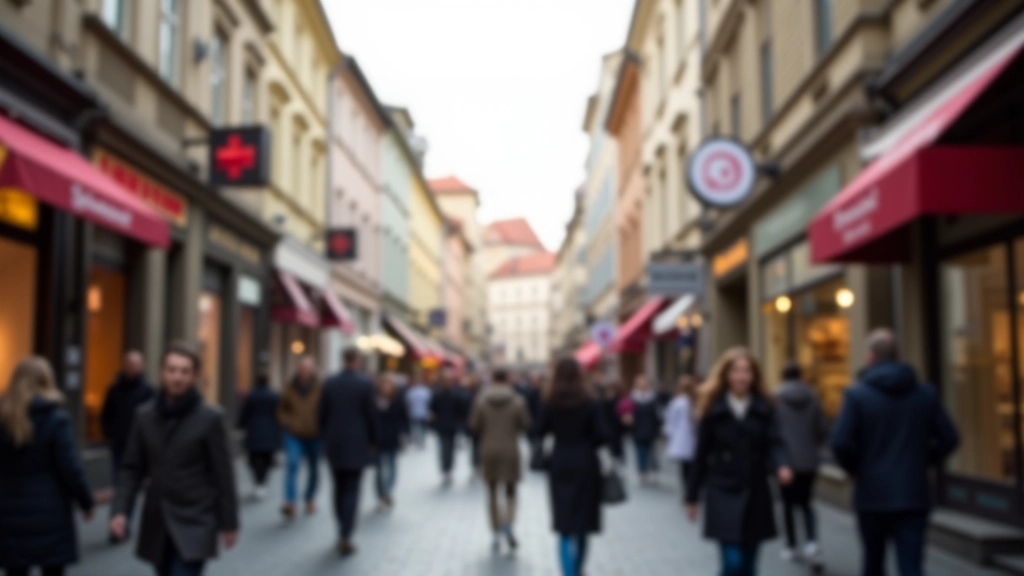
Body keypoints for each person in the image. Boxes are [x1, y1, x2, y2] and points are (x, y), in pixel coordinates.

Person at [830, 329, 959, 576]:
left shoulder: (857, 395)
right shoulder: (925, 394)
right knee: (911, 566)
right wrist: (924, 460)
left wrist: (857, 469)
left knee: (873, 564)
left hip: (872, 495)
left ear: (869, 357)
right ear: (898, 355)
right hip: (912, 493)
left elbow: (840, 443)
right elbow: (950, 438)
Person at [111, 342, 239, 576]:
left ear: (195, 376)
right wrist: (120, 511)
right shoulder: (145, 416)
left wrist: (229, 523)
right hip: (157, 521)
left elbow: (223, 474)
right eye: (171, 370)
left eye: (184, 371)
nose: (177, 377)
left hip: (196, 520)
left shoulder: (210, 418)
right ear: (162, 372)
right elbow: (131, 469)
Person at [685, 347, 792, 576]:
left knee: (749, 566)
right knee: (732, 562)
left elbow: (776, 441)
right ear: (726, 375)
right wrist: (691, 497)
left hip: (756, 490)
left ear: (754, 375)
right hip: (722, 489)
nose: (741, 376)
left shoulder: (765, 407)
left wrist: (782, 465)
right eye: (736, 371)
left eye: (747, 371)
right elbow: (701, 455)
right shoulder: (713, 409)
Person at [0, 358, 94, 576]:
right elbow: (70, 468)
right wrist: (85, 501)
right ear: (46, 381)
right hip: (50, 515)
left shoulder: (4, 418)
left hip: (9, 514)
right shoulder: (56, 419)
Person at [540, 358, 609, 576]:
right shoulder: (590, 401)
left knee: (564, 525)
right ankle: (578, 569)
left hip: (560, 461)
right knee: (583, 523)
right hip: (586, 462)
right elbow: (603, 434)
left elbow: (538, 430)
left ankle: (568, 573)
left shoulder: (550, 401)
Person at [318, 348, 380, 556]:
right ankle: (346, 532)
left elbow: (321, 414)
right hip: (357, 443)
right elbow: (372, 415)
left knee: (338, 486)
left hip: (335, 443)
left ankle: (341, 527)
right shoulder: (364, 384)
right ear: (357, 361)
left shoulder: (331, 382)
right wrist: (373, 440)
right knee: (352, 488)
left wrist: (325, 436)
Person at [469, 369, 531, 553]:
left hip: (488, 450)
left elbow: (474, 426)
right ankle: (508, 522)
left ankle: (495, 529)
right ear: (508, 380)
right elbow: (525, 425)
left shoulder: (481, 401)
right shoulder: (518, 401)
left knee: (492, 491)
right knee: (511, 491)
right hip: (510, 450)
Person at [774, 361, 828, 565]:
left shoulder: (776, 397)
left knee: (787, 505)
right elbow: (822, 429)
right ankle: (812, 543)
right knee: (807, 504)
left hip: (785, 461)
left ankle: (791, 545)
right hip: (808, 460)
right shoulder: (812, 397)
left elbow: (773, 430)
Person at [101, 350, 155, 542]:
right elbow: (106, 415)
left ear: (142, 366)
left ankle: (124, 521)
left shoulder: (148, 391)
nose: (132, 367)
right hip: (119, 445)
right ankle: (119, 524)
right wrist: (110, 433)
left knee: (133, 486)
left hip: (141, 448)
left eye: (136, 363)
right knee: (121, 484)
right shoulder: (114, 390)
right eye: (129, 363)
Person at [276, 355, 323, 518]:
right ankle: (290, 501)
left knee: (314, 468)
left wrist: (322, 424)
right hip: (294, 433)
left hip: (315, 434)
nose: (304, 371)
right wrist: (287, 422)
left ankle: (309, 498)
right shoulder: (290, 386)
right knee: (292, 464)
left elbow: (327, 408)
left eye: (307, 368)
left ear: (313, 369)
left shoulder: (320, 387)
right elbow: (282, 408)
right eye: (301, 368)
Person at [237, 361, 281, 501]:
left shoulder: (252, 395)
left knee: (255, 459)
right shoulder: (274, 395)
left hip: (255, 431)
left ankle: (259, 482)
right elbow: (279, 415)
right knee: (266, 460)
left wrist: (241, 425)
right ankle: (262, 482)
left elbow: (244, 413)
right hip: (269, 432)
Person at [375, 373, 408, 509]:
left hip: (393, 438)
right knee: (380, 469)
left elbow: (404, 417)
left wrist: (405, 433)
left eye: (389, 385)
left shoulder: (398, 399)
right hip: (378, 439)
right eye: (384, 385)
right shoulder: (374, 399)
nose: (386, 388)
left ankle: (388, 491)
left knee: (391, 466)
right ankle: (382, 493)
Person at [663, 375, 697, 502]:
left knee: (685, 469)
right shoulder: (685, 402)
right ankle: (691, 490)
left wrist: (669, 436)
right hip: (689, 440)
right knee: (692, 467)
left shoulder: (678, 402)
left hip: (684, 439)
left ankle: (688, 489)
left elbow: (670, 421)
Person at [429, 367, 463, 486]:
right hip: (441, 427)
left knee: (451, 450)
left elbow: (460, 410)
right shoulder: (437, 393)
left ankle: (449, 470)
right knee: (444, 449)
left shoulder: (456, 394)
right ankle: (445, 470)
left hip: (452, 427)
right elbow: (432, 409)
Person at [631, 375, 661, 482]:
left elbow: (656, 416)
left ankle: (651, 470)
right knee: (640, 452)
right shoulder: (633, 398)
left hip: (650, 429)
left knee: (651, 451)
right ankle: (642, 471)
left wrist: (657, 430)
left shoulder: (652, 397)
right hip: (638, 429)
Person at [600, 380, 626, 465]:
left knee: (618, 441)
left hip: (617, 423)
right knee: (611, 442)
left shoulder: (618, 398)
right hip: (608, 423)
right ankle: (613, 457)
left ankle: (618, 457)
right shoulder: (604, 399)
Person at [462, 373, 482, 476]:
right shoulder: (466, 394)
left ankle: (477, 464)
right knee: (476, 445)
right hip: (472, 424)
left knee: (477, 445)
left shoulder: (480, 394)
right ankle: (476, 464)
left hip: (478, 424)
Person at [405, 370, 432, 448]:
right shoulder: (424, 391)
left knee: (417, 428)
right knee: (420, 428)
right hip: (419, 413)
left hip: (418, 413)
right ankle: (420, 441)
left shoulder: (413, 391)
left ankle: (419, 441)